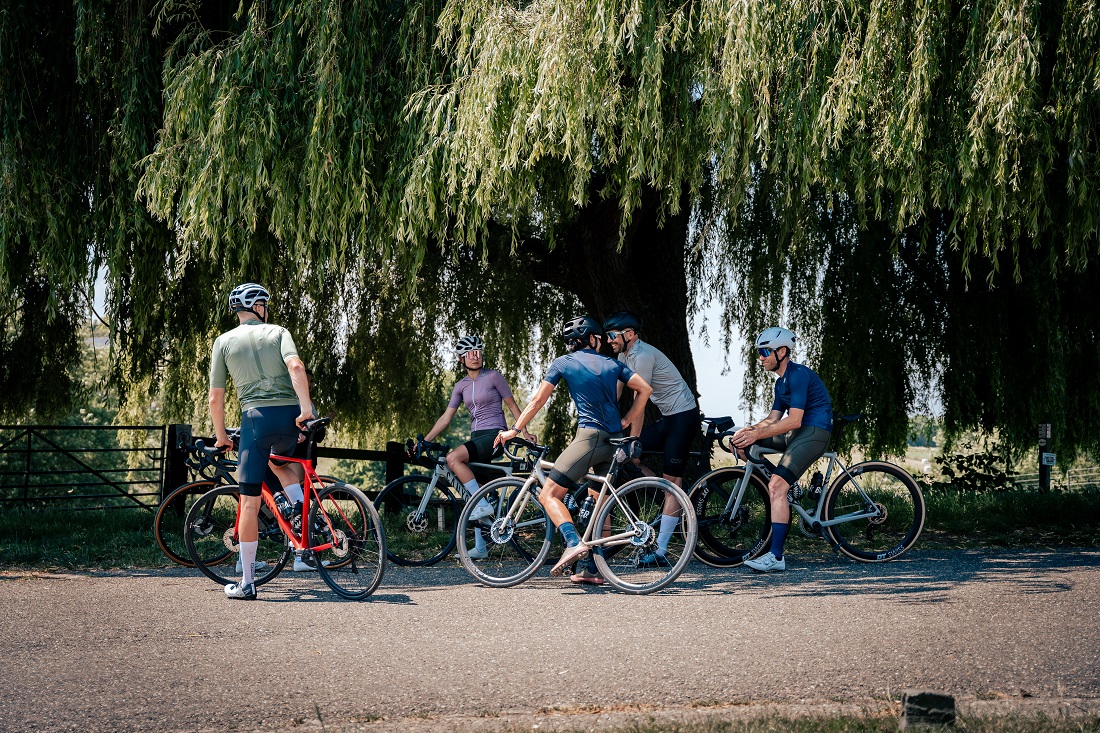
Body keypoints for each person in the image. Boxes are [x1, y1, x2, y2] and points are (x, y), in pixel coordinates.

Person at [495, 316, 653, 581]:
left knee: (549, 495)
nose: (602, 342)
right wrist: (625, 420)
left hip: (589, 438)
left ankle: (572, 542)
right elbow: (645, 389)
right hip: (613, 439)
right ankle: (594, 571)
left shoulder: (563, 363)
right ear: (592, 339)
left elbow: (537, 400)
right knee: (598, 506)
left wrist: (515, 429)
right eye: (599, 339)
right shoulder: (613, 363)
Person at [209, 283, 316, 599]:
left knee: (250, 503)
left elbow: (216, 397)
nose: (267, 309)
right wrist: (306, 409)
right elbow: (296, 366)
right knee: (281, 460)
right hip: (289, 417)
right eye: (265, 304)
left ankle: (247, 583)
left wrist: (221, 436)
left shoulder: (223, 342)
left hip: (255, 420)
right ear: (256, 305)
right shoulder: (278, 331)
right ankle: (297, 505)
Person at [421, 335, 534, 559]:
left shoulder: (493, 377)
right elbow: (446, 418)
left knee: (454, 459)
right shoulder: (460, 386)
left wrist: (524, 431)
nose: (475, 356)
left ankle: (482, 503)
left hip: (496, 435)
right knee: (476, 487)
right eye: (470, 353)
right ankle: (481, 546)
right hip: (477, 436)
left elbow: (512, 405)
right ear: (462, 359)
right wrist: (425, 440)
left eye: (478, 352)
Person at [731, 327, 832, 573]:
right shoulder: (780, 383)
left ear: (782, 351)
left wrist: (757, 432)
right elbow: (772, 419)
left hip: (814, 431)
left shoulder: (797, 375)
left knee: (775, 485)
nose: (761, 357)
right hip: (796, 432)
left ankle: (776, 557)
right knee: (748, 446)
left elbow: (794, 420)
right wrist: (748, 432)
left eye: (765, 351)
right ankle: (791, 488)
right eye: (759, 352)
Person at [604, 311, 699, 569]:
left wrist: (632, 436)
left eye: (613, 335)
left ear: (630, 334)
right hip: (669, 418)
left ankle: (663, 549)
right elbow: (617, 392)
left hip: (683, 417)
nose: (609, 339)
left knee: (672, 480)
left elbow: (640, 401)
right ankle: (667, 501)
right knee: (630, 459)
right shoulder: (623, 355)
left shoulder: (643, 355)